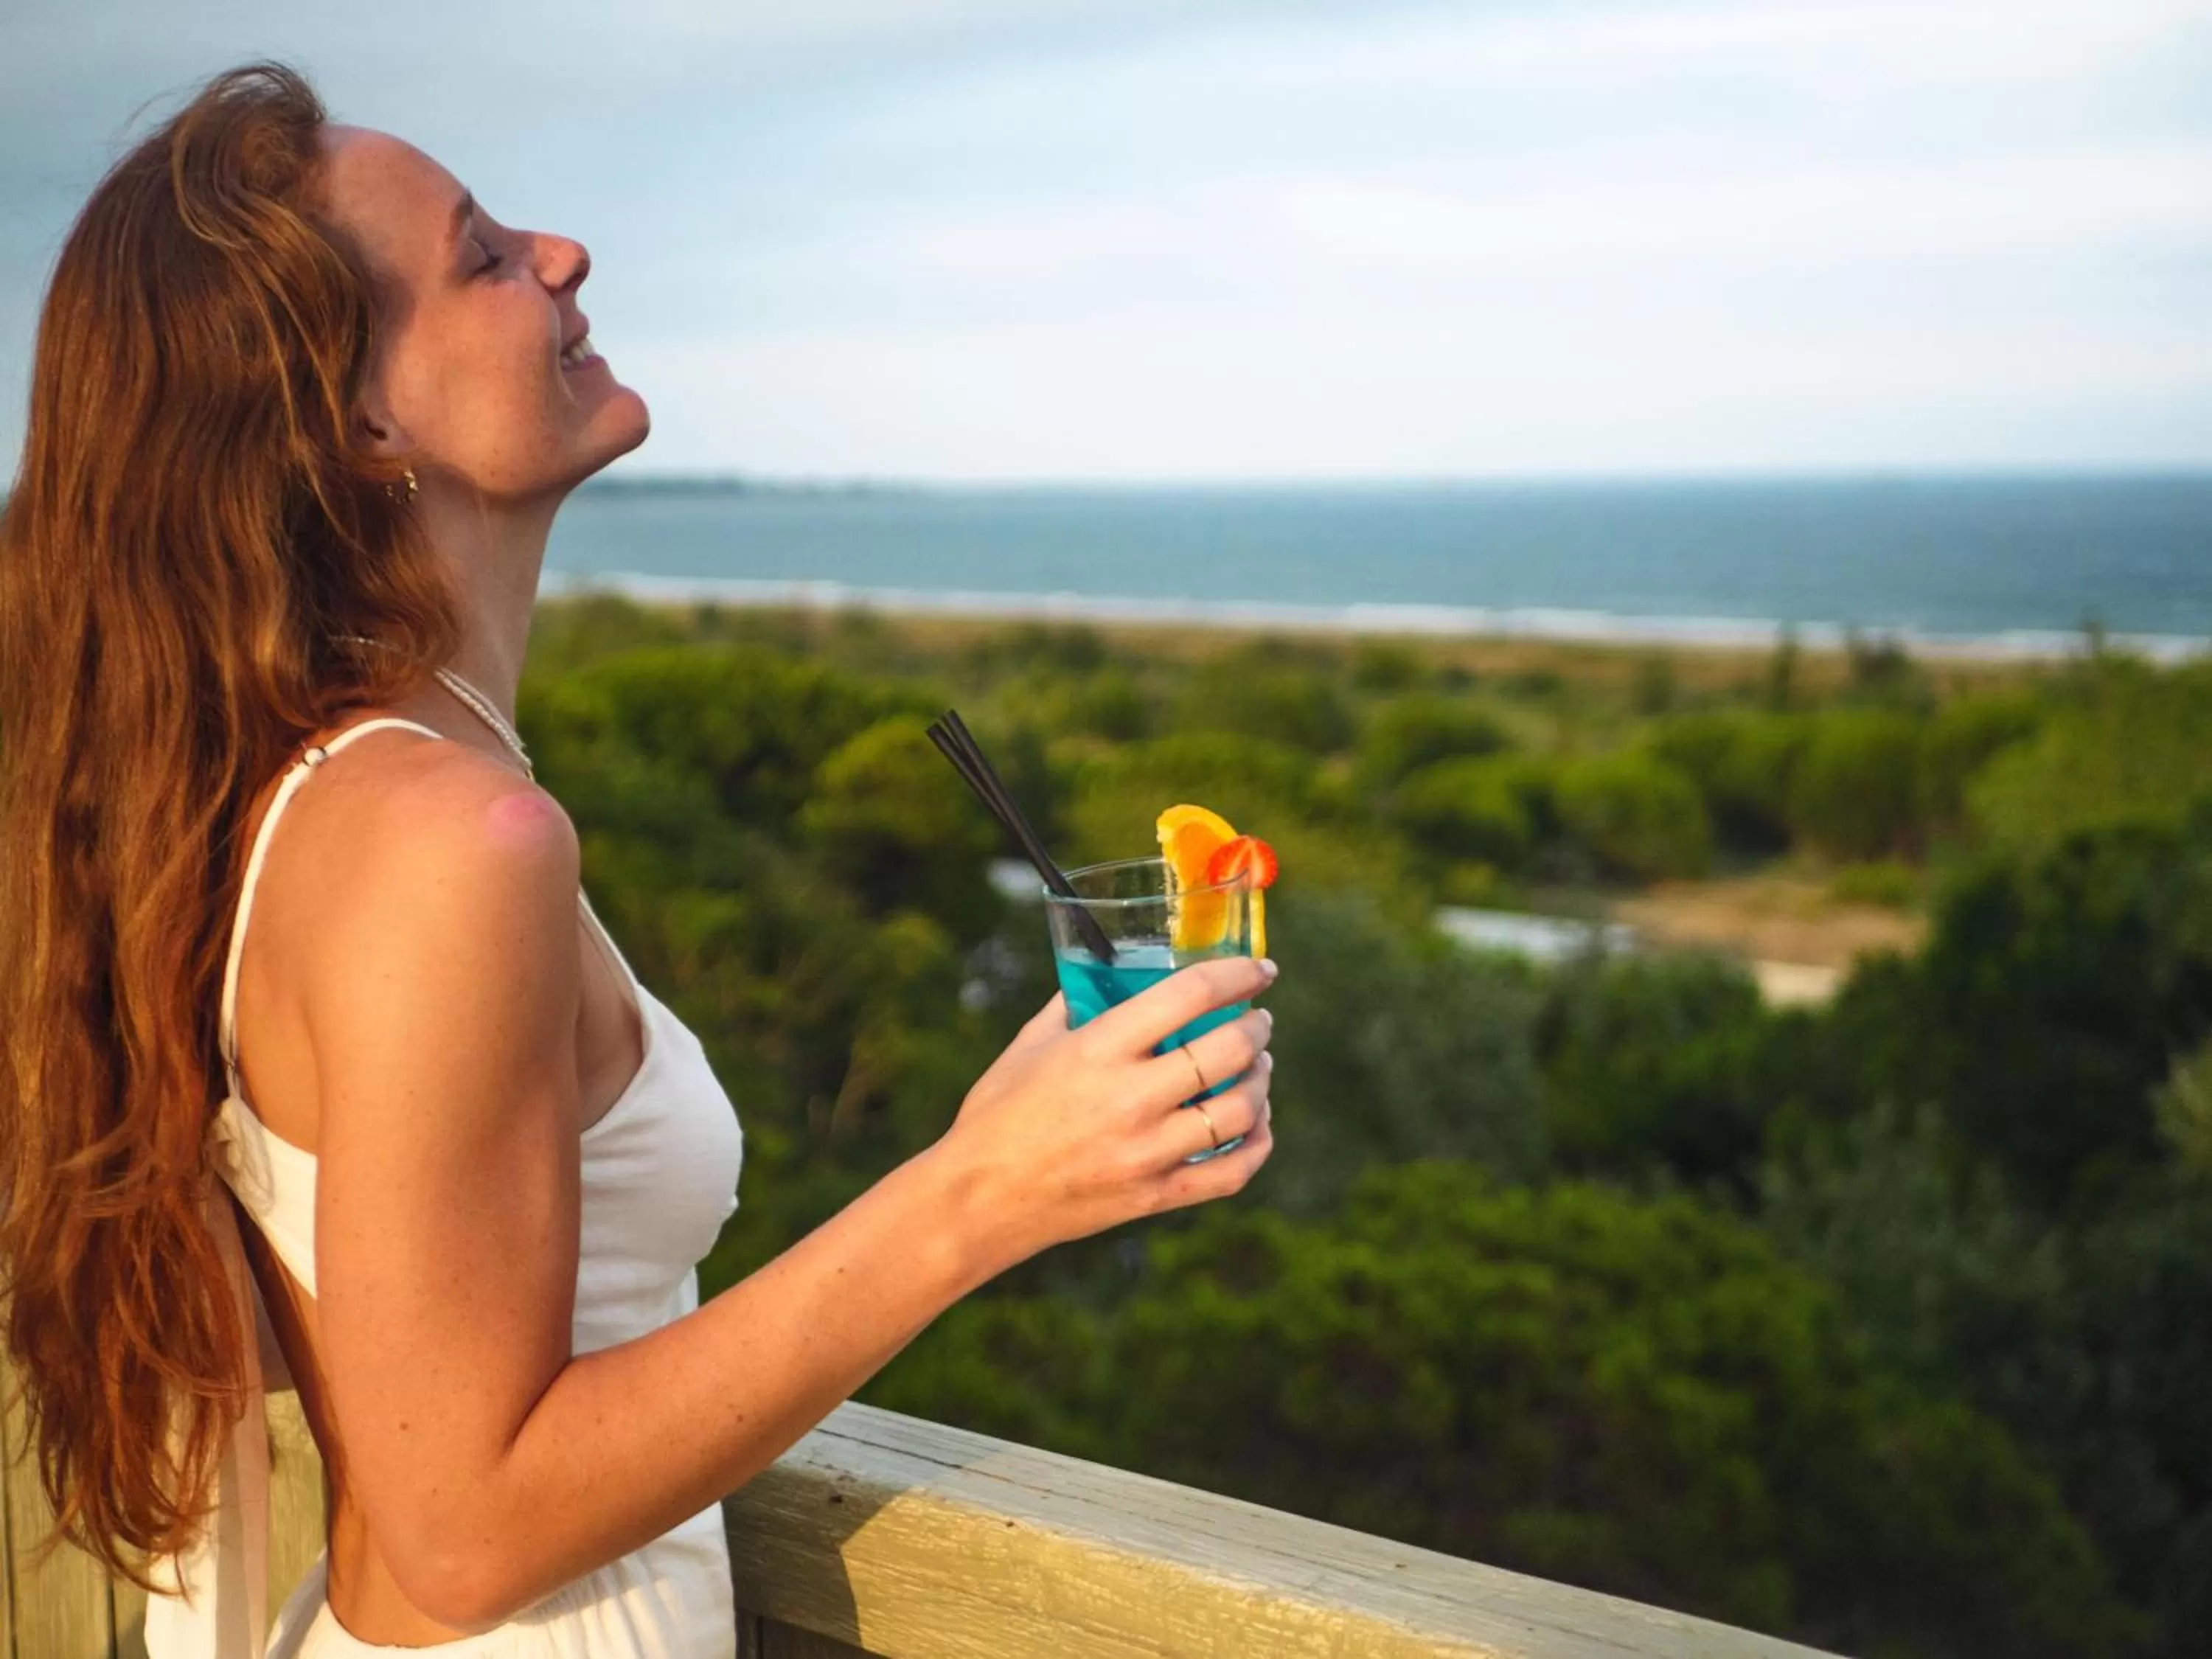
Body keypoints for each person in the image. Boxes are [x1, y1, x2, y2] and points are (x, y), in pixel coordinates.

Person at [0, 62, 1276, 1658]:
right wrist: (979, 1194)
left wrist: (1031, 1131)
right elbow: (462, 1533)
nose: (564, 255)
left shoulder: (322, 796)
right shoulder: (451, 843)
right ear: (358, 419)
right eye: (481, 253)